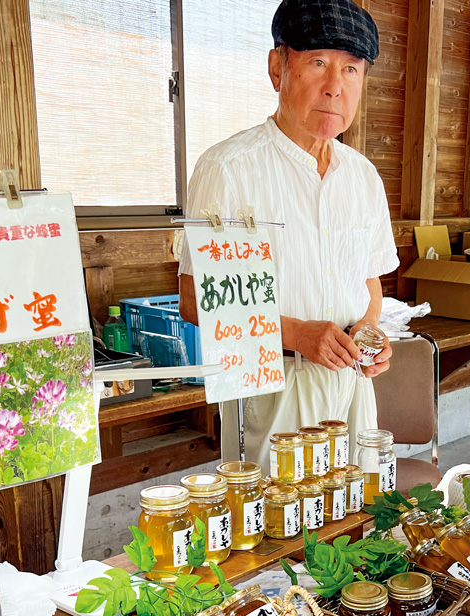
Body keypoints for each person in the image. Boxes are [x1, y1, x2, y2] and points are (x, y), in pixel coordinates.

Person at [177, 0, 396, 471]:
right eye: (318, 63)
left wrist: (370, 331)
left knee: (359, 514)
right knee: (282, 531)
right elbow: (196, 300)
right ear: (279, 67)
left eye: (352, 70)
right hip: (275, 383)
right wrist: (297, 334)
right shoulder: (229, 168)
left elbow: (370, 282)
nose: (335, 87)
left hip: (353, 382)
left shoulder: (362, 176)